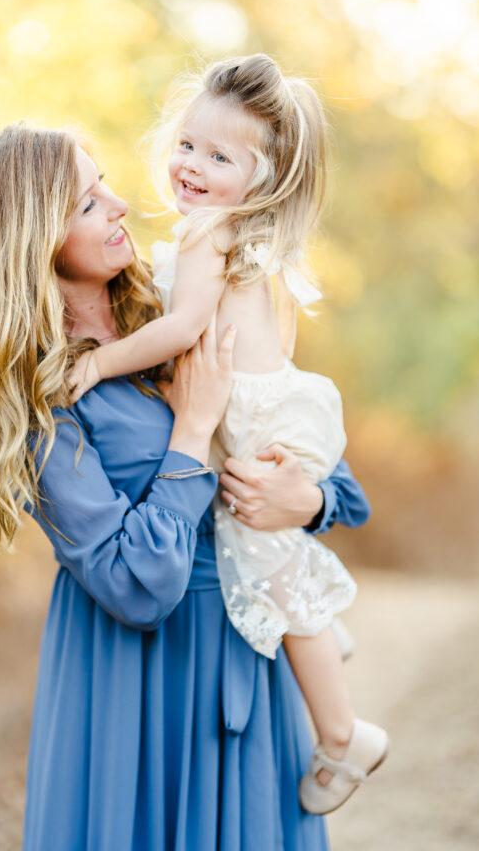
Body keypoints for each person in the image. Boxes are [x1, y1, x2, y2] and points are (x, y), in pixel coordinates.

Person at [0, 122, 373, 850]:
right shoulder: (45, 396)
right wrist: (190, 432)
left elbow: (322, 465)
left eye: (104, 182)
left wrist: (309, 500)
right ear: (29, 240)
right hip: (132, 687)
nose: (117, 205)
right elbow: (134, 583)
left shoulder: (174, 308)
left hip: (244, 649)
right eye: (85, 203)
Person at [68, 54, 388, 815]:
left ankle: (342, 733)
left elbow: (181, 328)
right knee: (273, 557)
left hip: (256, 418)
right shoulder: (230, 238)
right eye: (186, 144)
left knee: (265, 550)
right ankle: (310, 628)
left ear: (260, 178)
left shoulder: (210, 232)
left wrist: (98, 364)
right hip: (265, 406)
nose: (191, 166)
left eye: (219, 157)